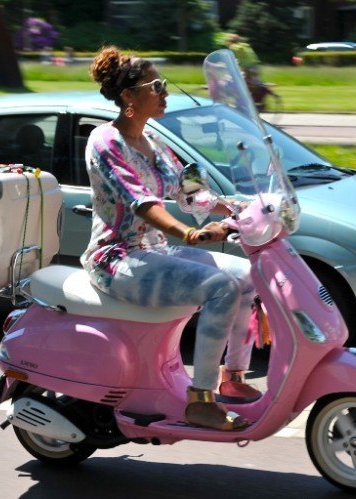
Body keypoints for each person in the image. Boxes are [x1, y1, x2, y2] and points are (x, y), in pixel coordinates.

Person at [83, 46, 260, 431]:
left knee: (248, 275)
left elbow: (194, 194)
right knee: (221, 288)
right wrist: (191, 233)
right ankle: (200, 400)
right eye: (157, 85)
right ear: (129, 96)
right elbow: (141, 203)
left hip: (156, 253)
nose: (165, 93)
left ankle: (233, 377)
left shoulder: (157, 145)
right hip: (117, 259)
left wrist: (247, 207)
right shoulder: (105, 141)